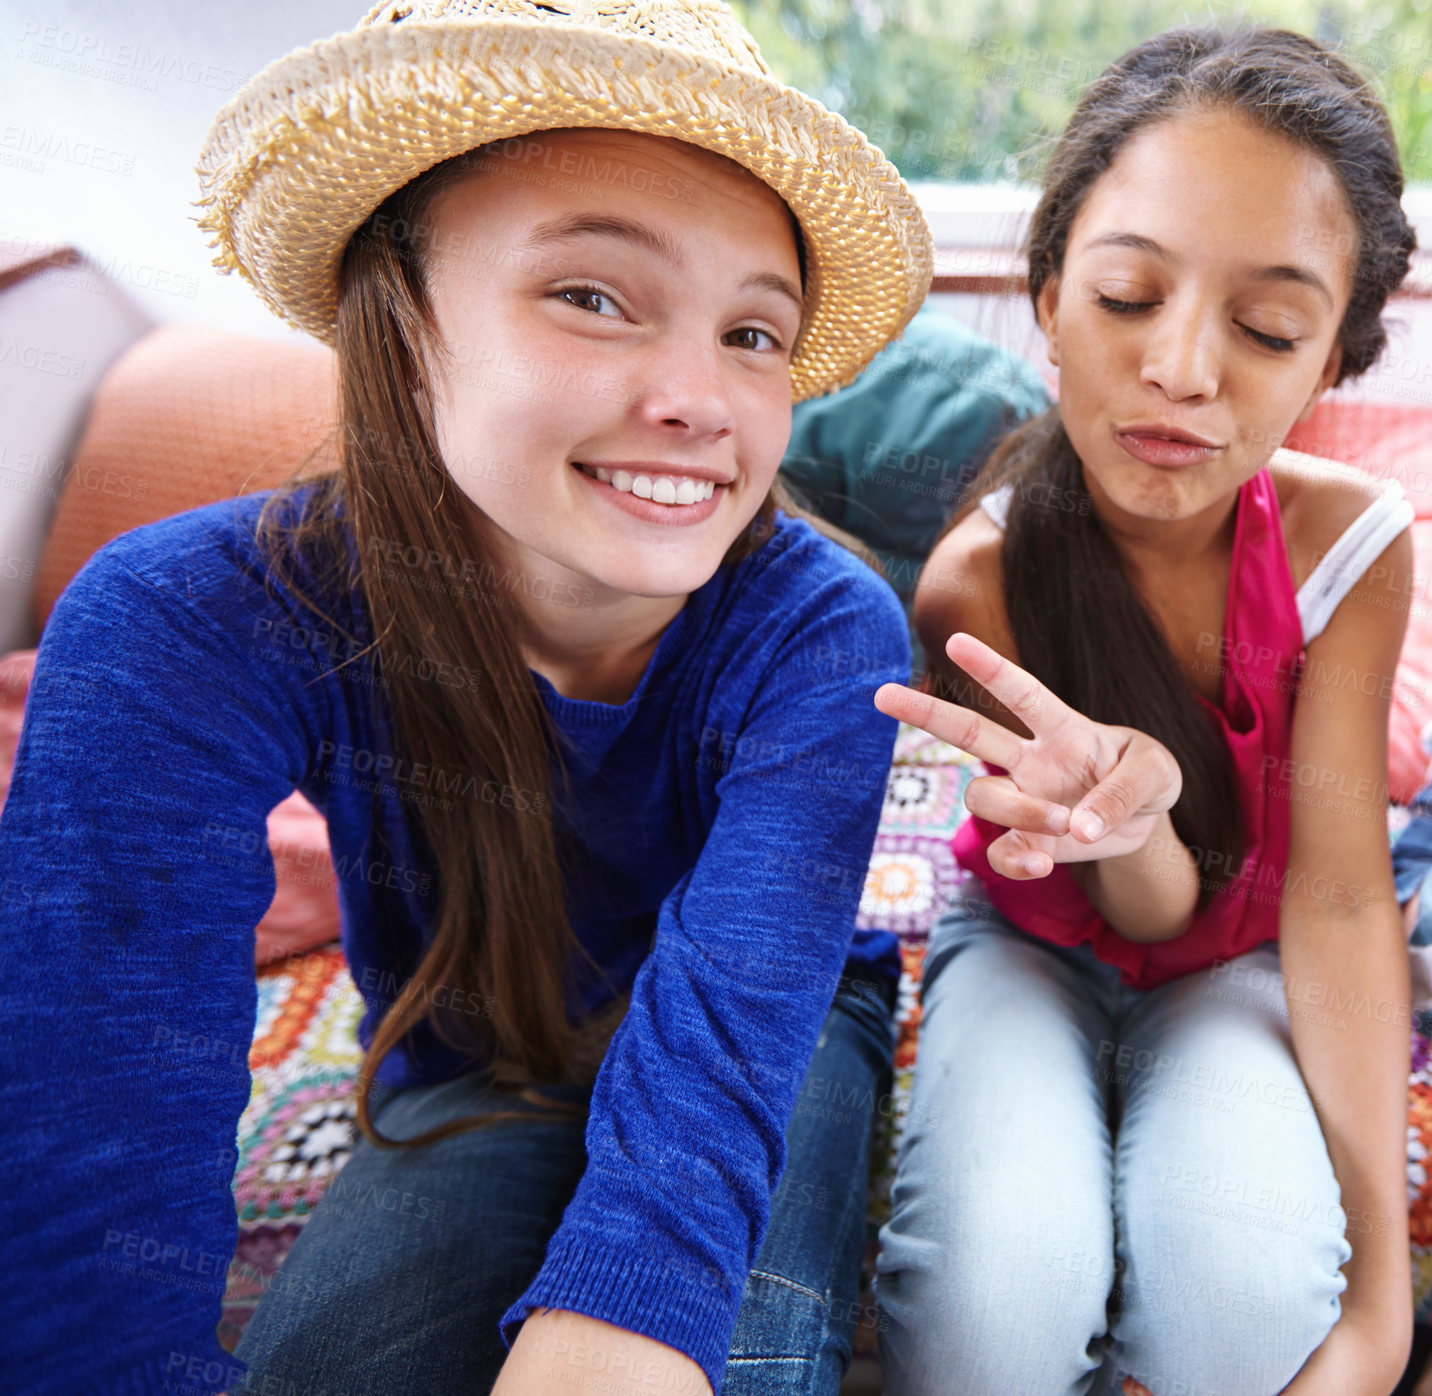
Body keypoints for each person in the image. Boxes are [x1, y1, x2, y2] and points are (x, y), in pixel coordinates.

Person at [0, 2, 936, 1393]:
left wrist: (627, 1325)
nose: (699, 397)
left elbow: (729, 1037)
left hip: (775, 1044)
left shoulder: (825, 633)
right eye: (593, 296)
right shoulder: (182, 620)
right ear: (402, 320)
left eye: (754, 333)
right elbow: (98, 1147)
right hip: (478, 1057)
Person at [871, 25, 1418, 1396]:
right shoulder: (978, 582)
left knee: (1245, 1319)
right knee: (987, 1313)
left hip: (1246, 959)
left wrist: (1380, 1306)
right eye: (1127, 297)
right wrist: (1136, 817)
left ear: (1334, 363)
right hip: (1036, 950)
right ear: (1050, 298)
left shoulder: (1353, 548)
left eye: (1269, 326)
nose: (1182, 368)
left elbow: (1344, 903)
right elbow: (1136, 908)